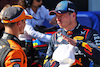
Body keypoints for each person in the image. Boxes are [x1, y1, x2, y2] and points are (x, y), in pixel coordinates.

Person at [43, 1, 100, 67]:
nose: (58, 19)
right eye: (56, 16)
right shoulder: (55, 37)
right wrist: (56, 63)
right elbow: (45, 63)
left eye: (61, 15)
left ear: (73, 15)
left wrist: (78, 44)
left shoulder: (89, 33)